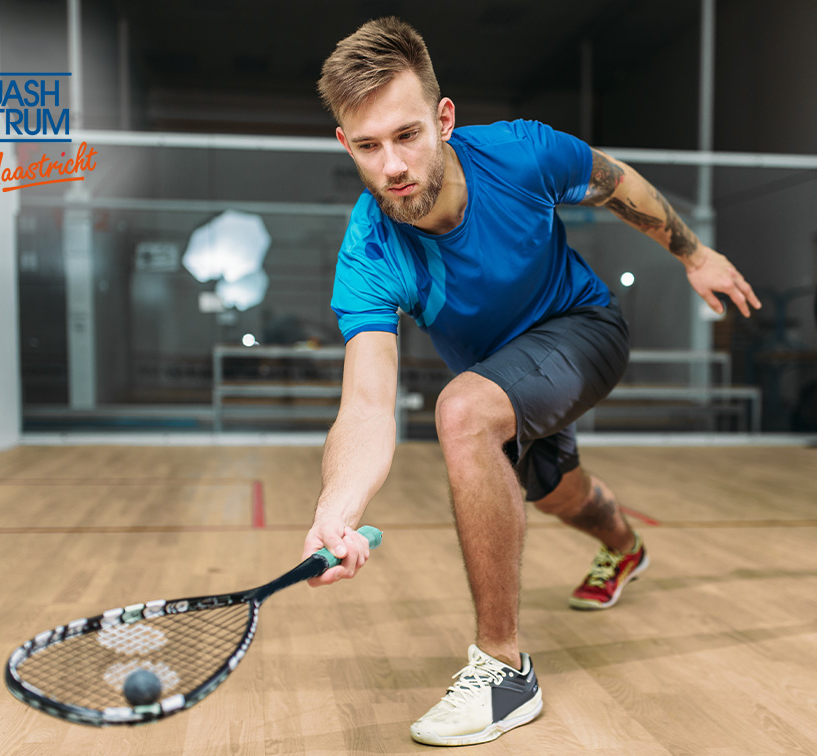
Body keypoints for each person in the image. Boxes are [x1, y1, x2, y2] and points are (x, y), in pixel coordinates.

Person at [301, 16, 760, 747]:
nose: (391, 166)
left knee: (461, 413)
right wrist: (337, 507)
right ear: (344, 145)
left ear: (444, 120)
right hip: (507, 378)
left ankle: (503, 667)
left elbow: (617, 184)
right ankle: (625, 546)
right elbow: (364, 405)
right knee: (553, 491)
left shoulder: (520, 153)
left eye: (407, 135)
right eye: (368, 146)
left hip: (584, 329)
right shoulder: (370, 251)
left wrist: (693, 253)